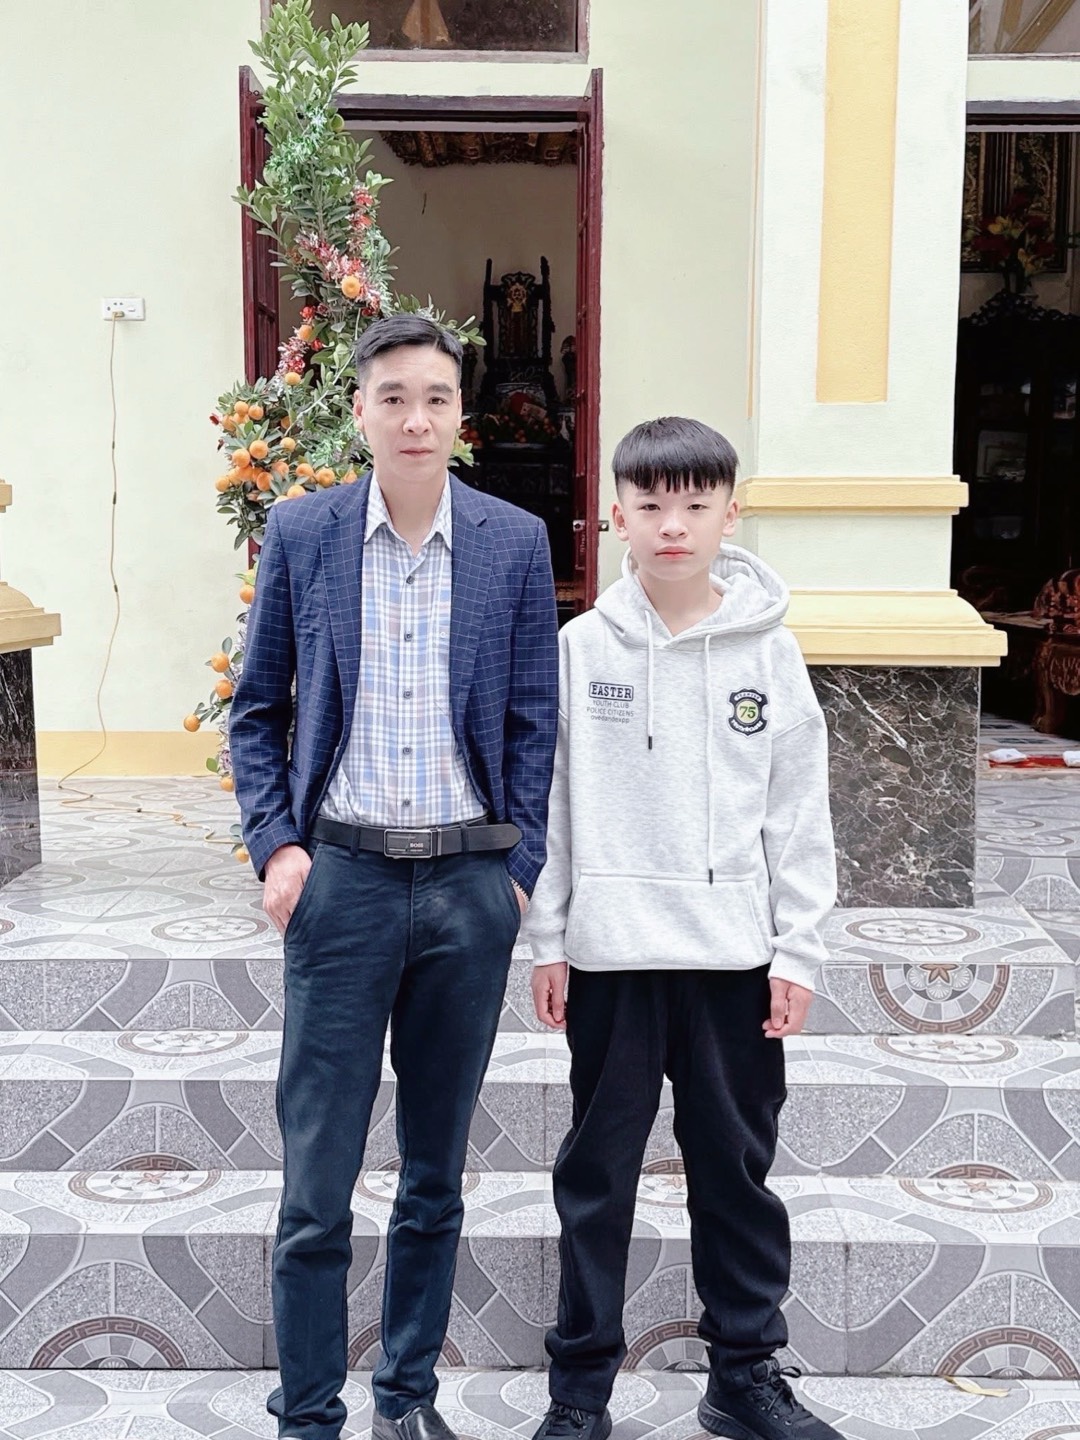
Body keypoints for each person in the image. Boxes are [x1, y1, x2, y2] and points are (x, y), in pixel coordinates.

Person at [230, 314, 559, 1440]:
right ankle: (308, 1413)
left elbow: (532, 720)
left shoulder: (513, 542)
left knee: (434, 1175)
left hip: (468, 889)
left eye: (436, 398)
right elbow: (258, 708)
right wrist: (280, 847)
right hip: (345, 885)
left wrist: (517, 870)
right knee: (317, 1180)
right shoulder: (304, 532)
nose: (416, 419)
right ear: (360, 411)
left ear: (462, 415)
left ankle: (407, 1399)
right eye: (393, 398)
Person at [523, 417, 842, 1440]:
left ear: (729, 514)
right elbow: (553, 808)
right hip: (612, 960)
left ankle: (743, 1377)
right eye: (651, 504)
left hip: (733, 963)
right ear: (616, 514)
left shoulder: (771, 653)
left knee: (734, 1176)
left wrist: (798, 950)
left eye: (695, 505)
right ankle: (580, 1394)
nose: (673, 525)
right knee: (596, 1180)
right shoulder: (580, 650)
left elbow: (798, 813)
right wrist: (550, 941)